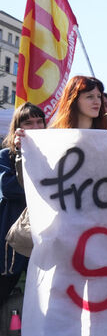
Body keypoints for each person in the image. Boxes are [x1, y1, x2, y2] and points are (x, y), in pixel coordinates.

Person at [0, 104, 45, 315]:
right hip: (13, 240)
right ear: (18, 128)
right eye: (29, 123)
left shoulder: (52, 154)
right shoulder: (5, 156)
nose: (35, 127)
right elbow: (10, 189)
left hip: (43, 238)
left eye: (39, 122)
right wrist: (21, 153)